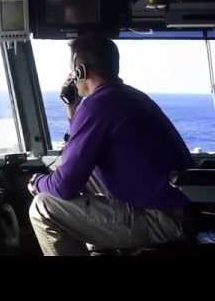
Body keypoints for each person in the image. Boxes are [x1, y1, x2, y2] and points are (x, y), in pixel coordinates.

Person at [28, 34, 193, 256]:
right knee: (72, 175)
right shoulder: (128, 96)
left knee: (42, 206)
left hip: (161, 220)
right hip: (179, 208)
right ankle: (101, 248)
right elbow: (81, 153)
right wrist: (74, 109)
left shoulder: (97, 106)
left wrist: (37, 184)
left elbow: (64, 186)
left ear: (80, 71)